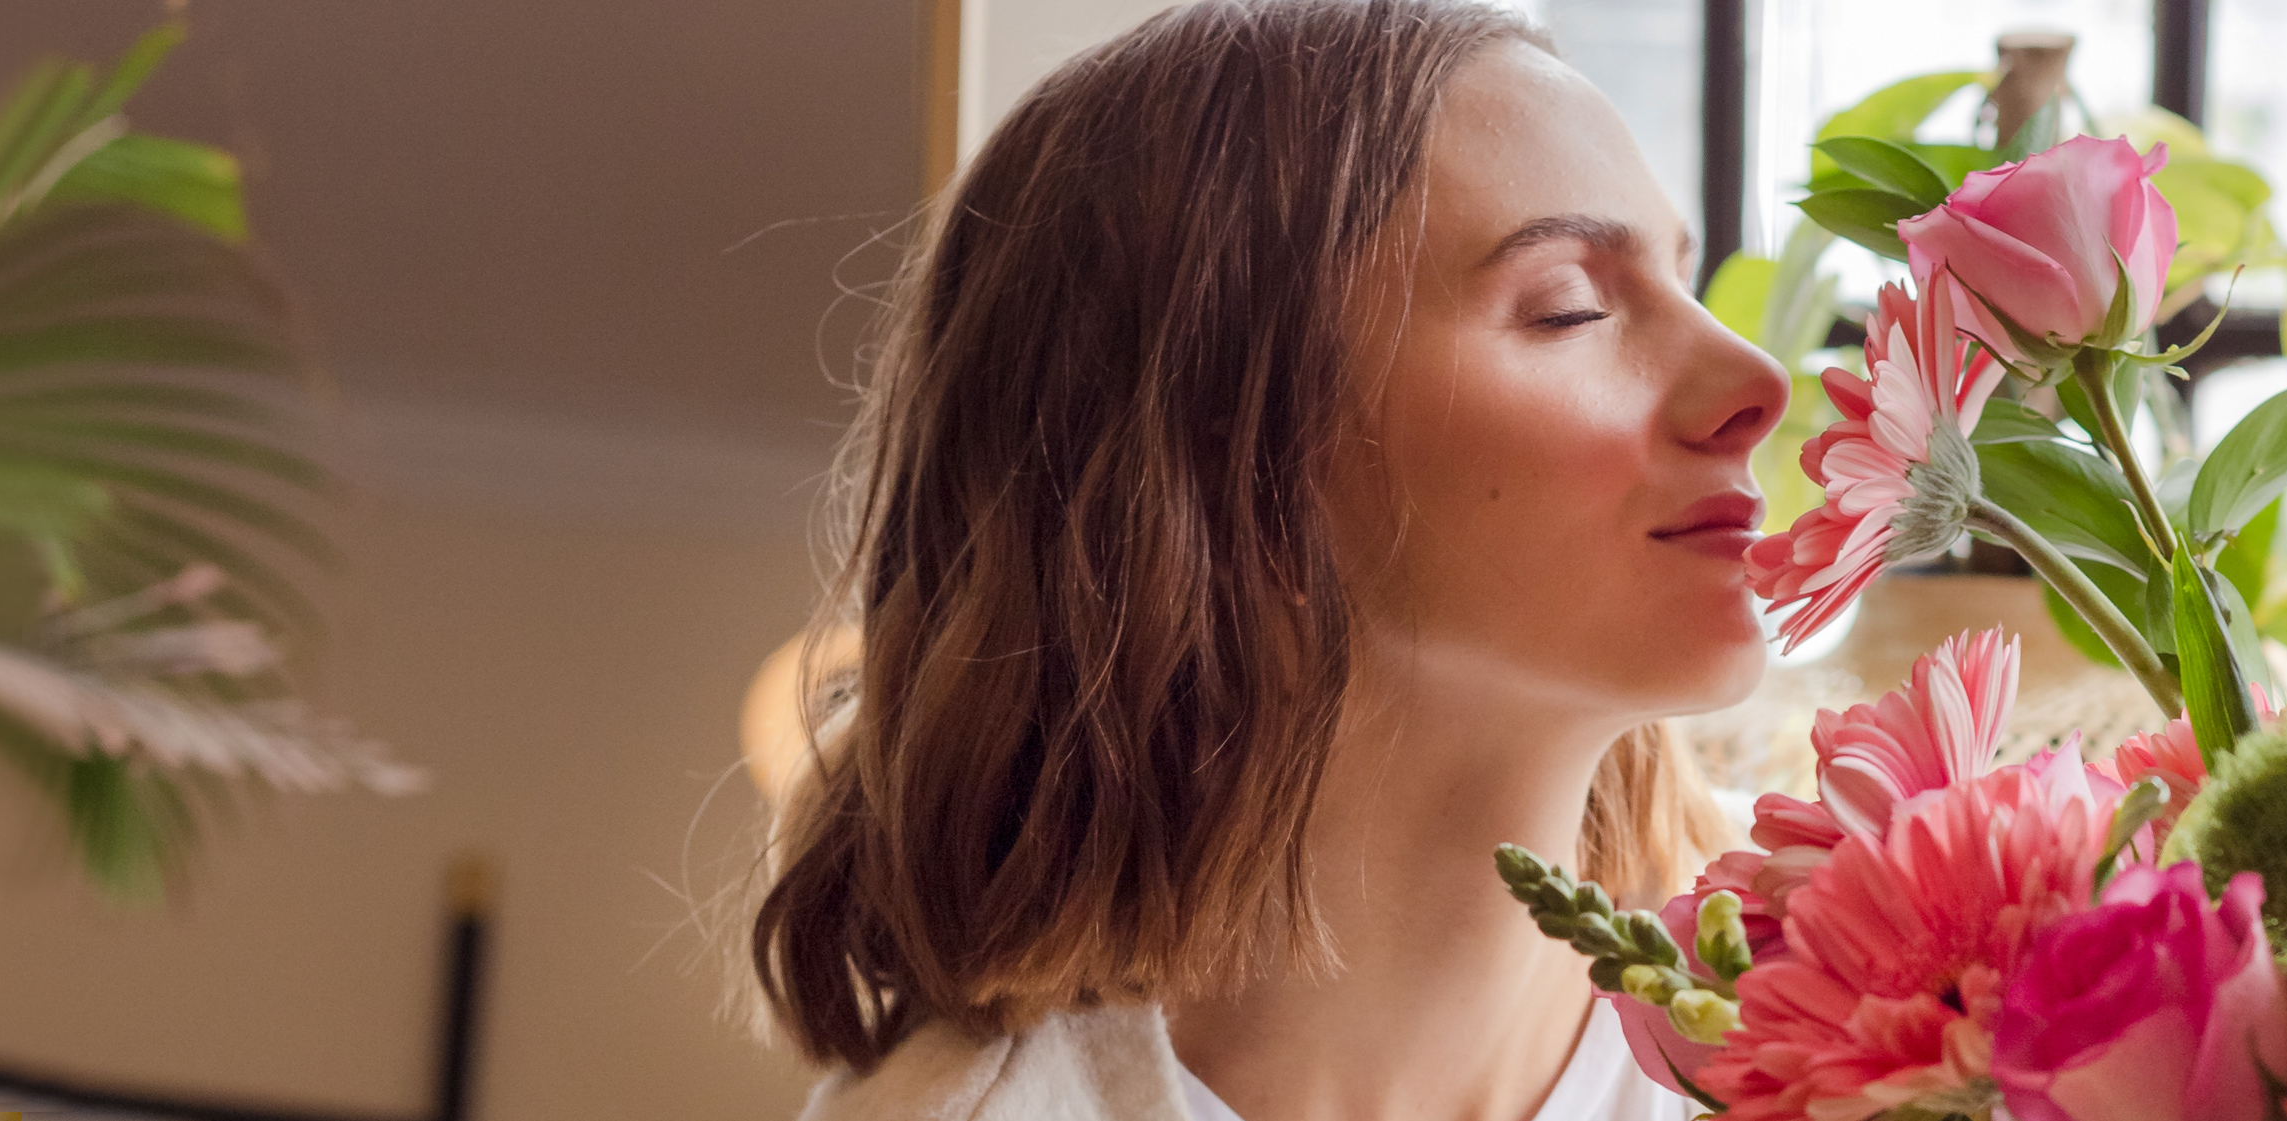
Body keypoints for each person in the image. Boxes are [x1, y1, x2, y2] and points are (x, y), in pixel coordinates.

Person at [747, 1, 1788, 1118]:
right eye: (1567, 309)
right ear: (1234, 478)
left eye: (1686, 282)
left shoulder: (1878, 1008)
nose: (1755, 382)